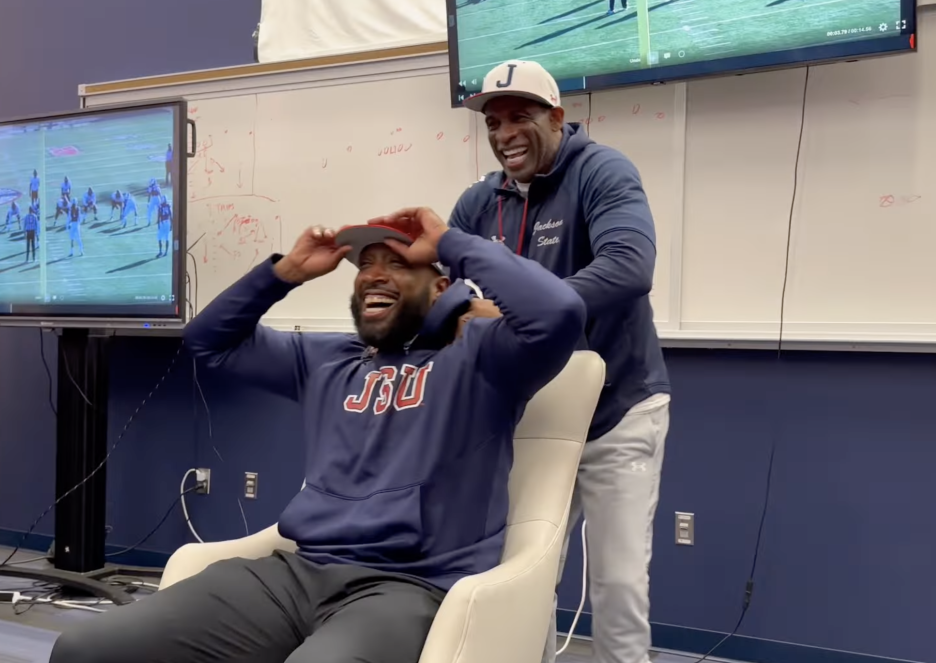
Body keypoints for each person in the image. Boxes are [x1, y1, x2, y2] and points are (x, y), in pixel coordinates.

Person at [48, 208, 586, 663]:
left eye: (397, 263)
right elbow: (207, 341)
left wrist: (449, 241)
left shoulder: (484, 358)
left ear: (441, 285)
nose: (373, 274)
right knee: (84, 649)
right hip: (295, 574)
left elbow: (558, 312)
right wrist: (284, 274)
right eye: (365, 265)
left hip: (406, 588)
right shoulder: (327, 359)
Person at [453, 60, 671, 663]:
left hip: (617, 412)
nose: (504, 134)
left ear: (556, 116)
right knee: (525, 582)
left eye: (520, 117)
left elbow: (630, 267)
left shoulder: (601, 170)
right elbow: (446, 292)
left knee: (618, 586)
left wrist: (523, 309)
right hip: (532, 416)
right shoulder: (477, 203)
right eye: (493, 122)